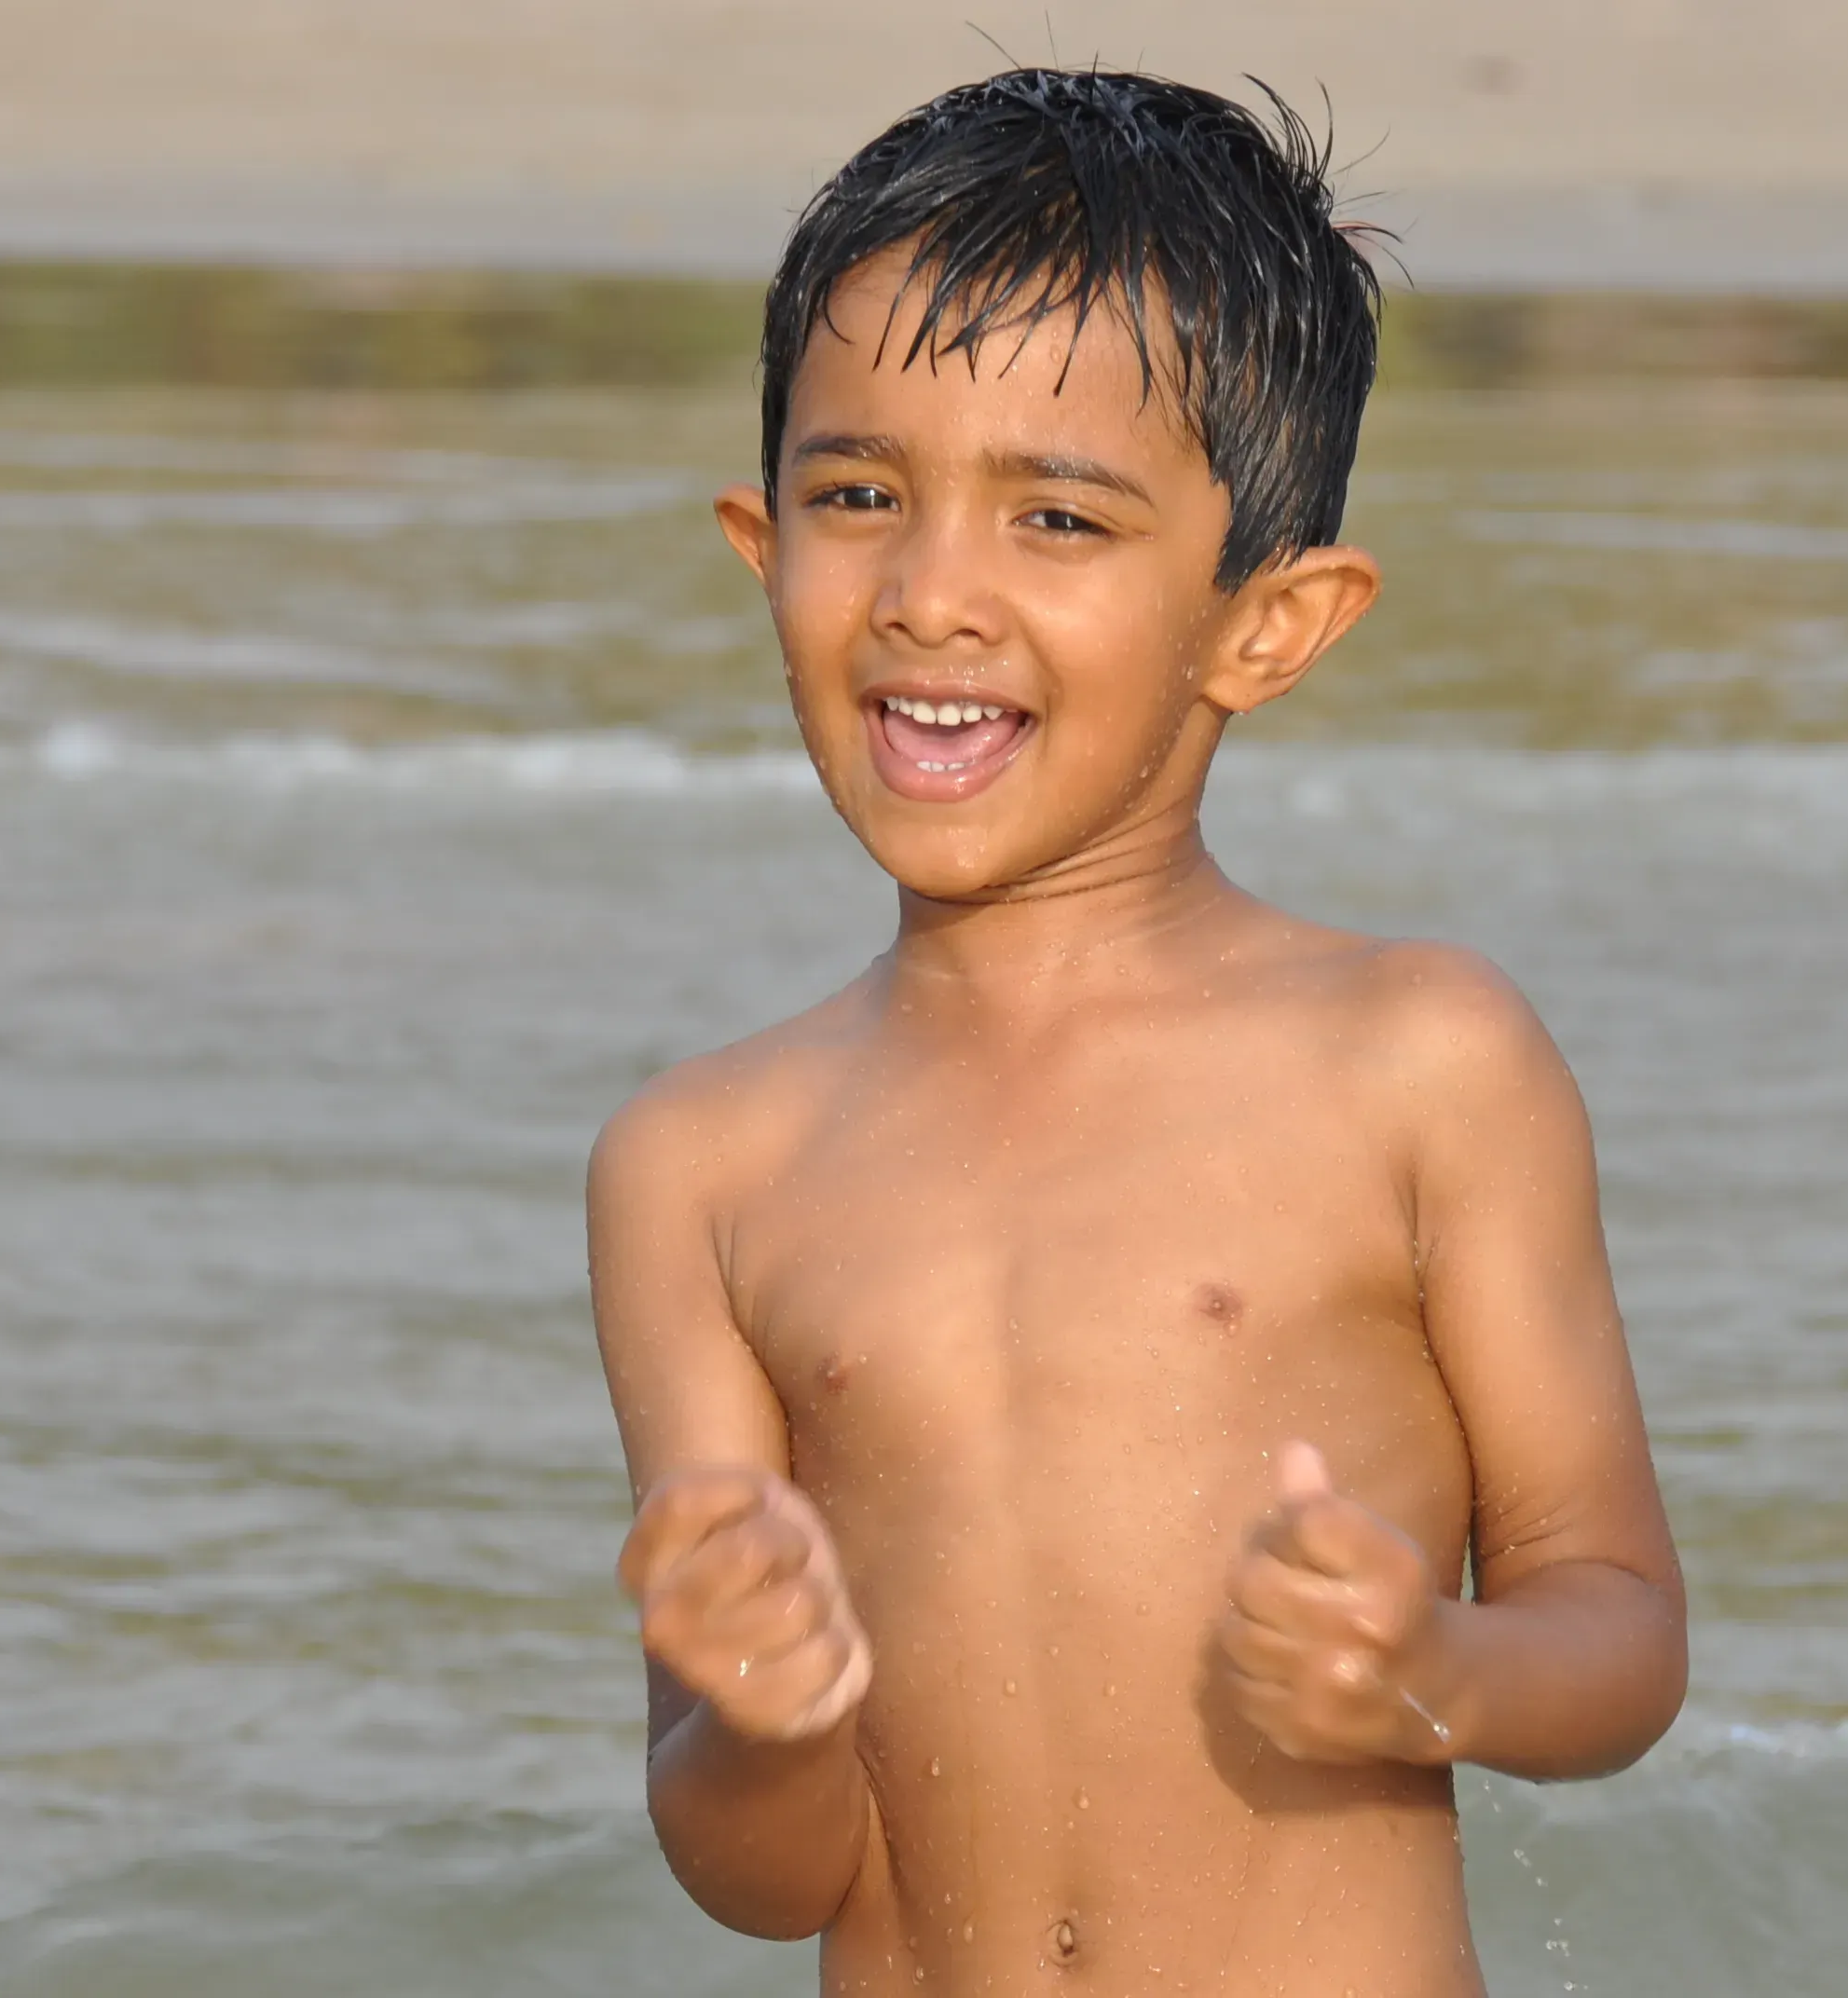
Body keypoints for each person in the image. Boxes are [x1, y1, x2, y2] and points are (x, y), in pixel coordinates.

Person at [591, 68, 1686, 1996]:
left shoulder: (1411, 1060)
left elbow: (1613, 1632)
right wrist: (756, 1713)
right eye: (860, 496)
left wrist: (1433, 1672)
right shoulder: (702, 1165)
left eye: (1056, 518)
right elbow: (762, 1876)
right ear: (764, 553)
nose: (933, 592)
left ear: (1264, 626)